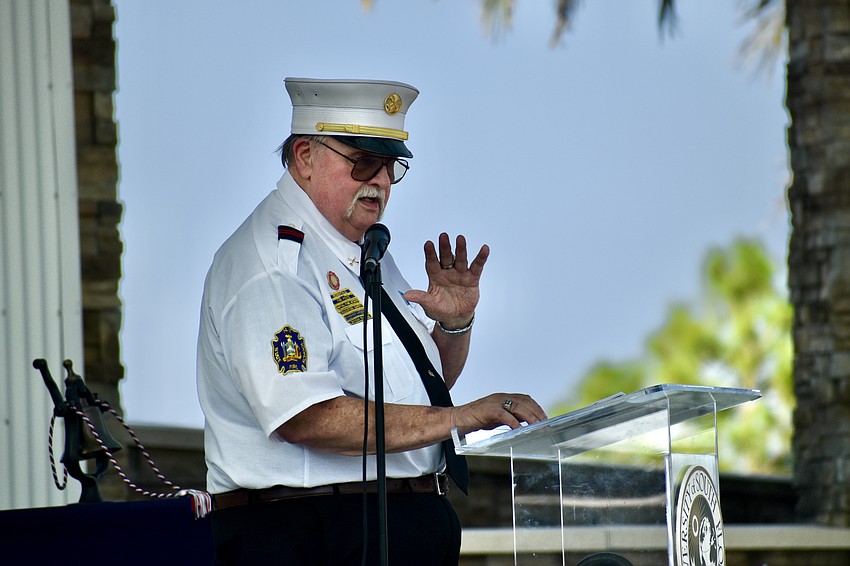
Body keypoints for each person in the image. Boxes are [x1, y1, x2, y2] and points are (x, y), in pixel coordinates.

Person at [197, 77, 547, 565]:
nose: (380, 180)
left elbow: (418, 391)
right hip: (311, 531)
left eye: (390, 165)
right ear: (304, 157)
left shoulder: (363, 251)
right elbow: (305, 416)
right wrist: (459, 418)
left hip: (384, 523)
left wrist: (454, 327)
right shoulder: (274, 265)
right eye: (362, 161)